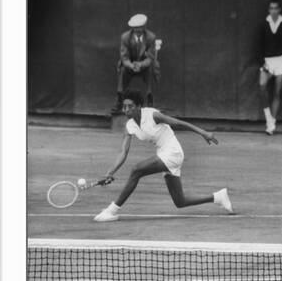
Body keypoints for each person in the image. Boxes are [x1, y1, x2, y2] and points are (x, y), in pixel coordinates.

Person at [95, 89, 233, 222]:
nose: (126, 110)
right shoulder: (129, 126)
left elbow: (178, 123)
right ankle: (218, 197)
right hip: (162, 153)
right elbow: (123, 152)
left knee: (137, 170)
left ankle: (111, 211)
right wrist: (109, 173)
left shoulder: (153, 115)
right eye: (124, 107)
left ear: (139, 106)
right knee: (180, 201)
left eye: (130, 106)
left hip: (173, 152)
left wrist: (203, 132)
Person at [111, 14, 160, 113]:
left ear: (144, 27)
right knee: (123, 71)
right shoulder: (125, 37)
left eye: (141, 27)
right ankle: (120, 100)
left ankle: (150, 100)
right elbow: (124, 57)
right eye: (136, 28)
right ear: (132, 28)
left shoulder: (151, 37)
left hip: (145, 66)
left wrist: (141, 65)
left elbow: (150, 57)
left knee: (151, 70)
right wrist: (131, 65)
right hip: (130, 66)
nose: (138, 30)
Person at [259, 0, 282, 135]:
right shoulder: (264, 24)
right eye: (271, 8)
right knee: (262, 87)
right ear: (269, 10)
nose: (273, 10)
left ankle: (272, 123)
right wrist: (263, 62)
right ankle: (269, 118)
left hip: (281, 60)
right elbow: (259, 44)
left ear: (279, 9)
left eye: (276, 8)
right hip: (267, 61)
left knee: (277, 92)